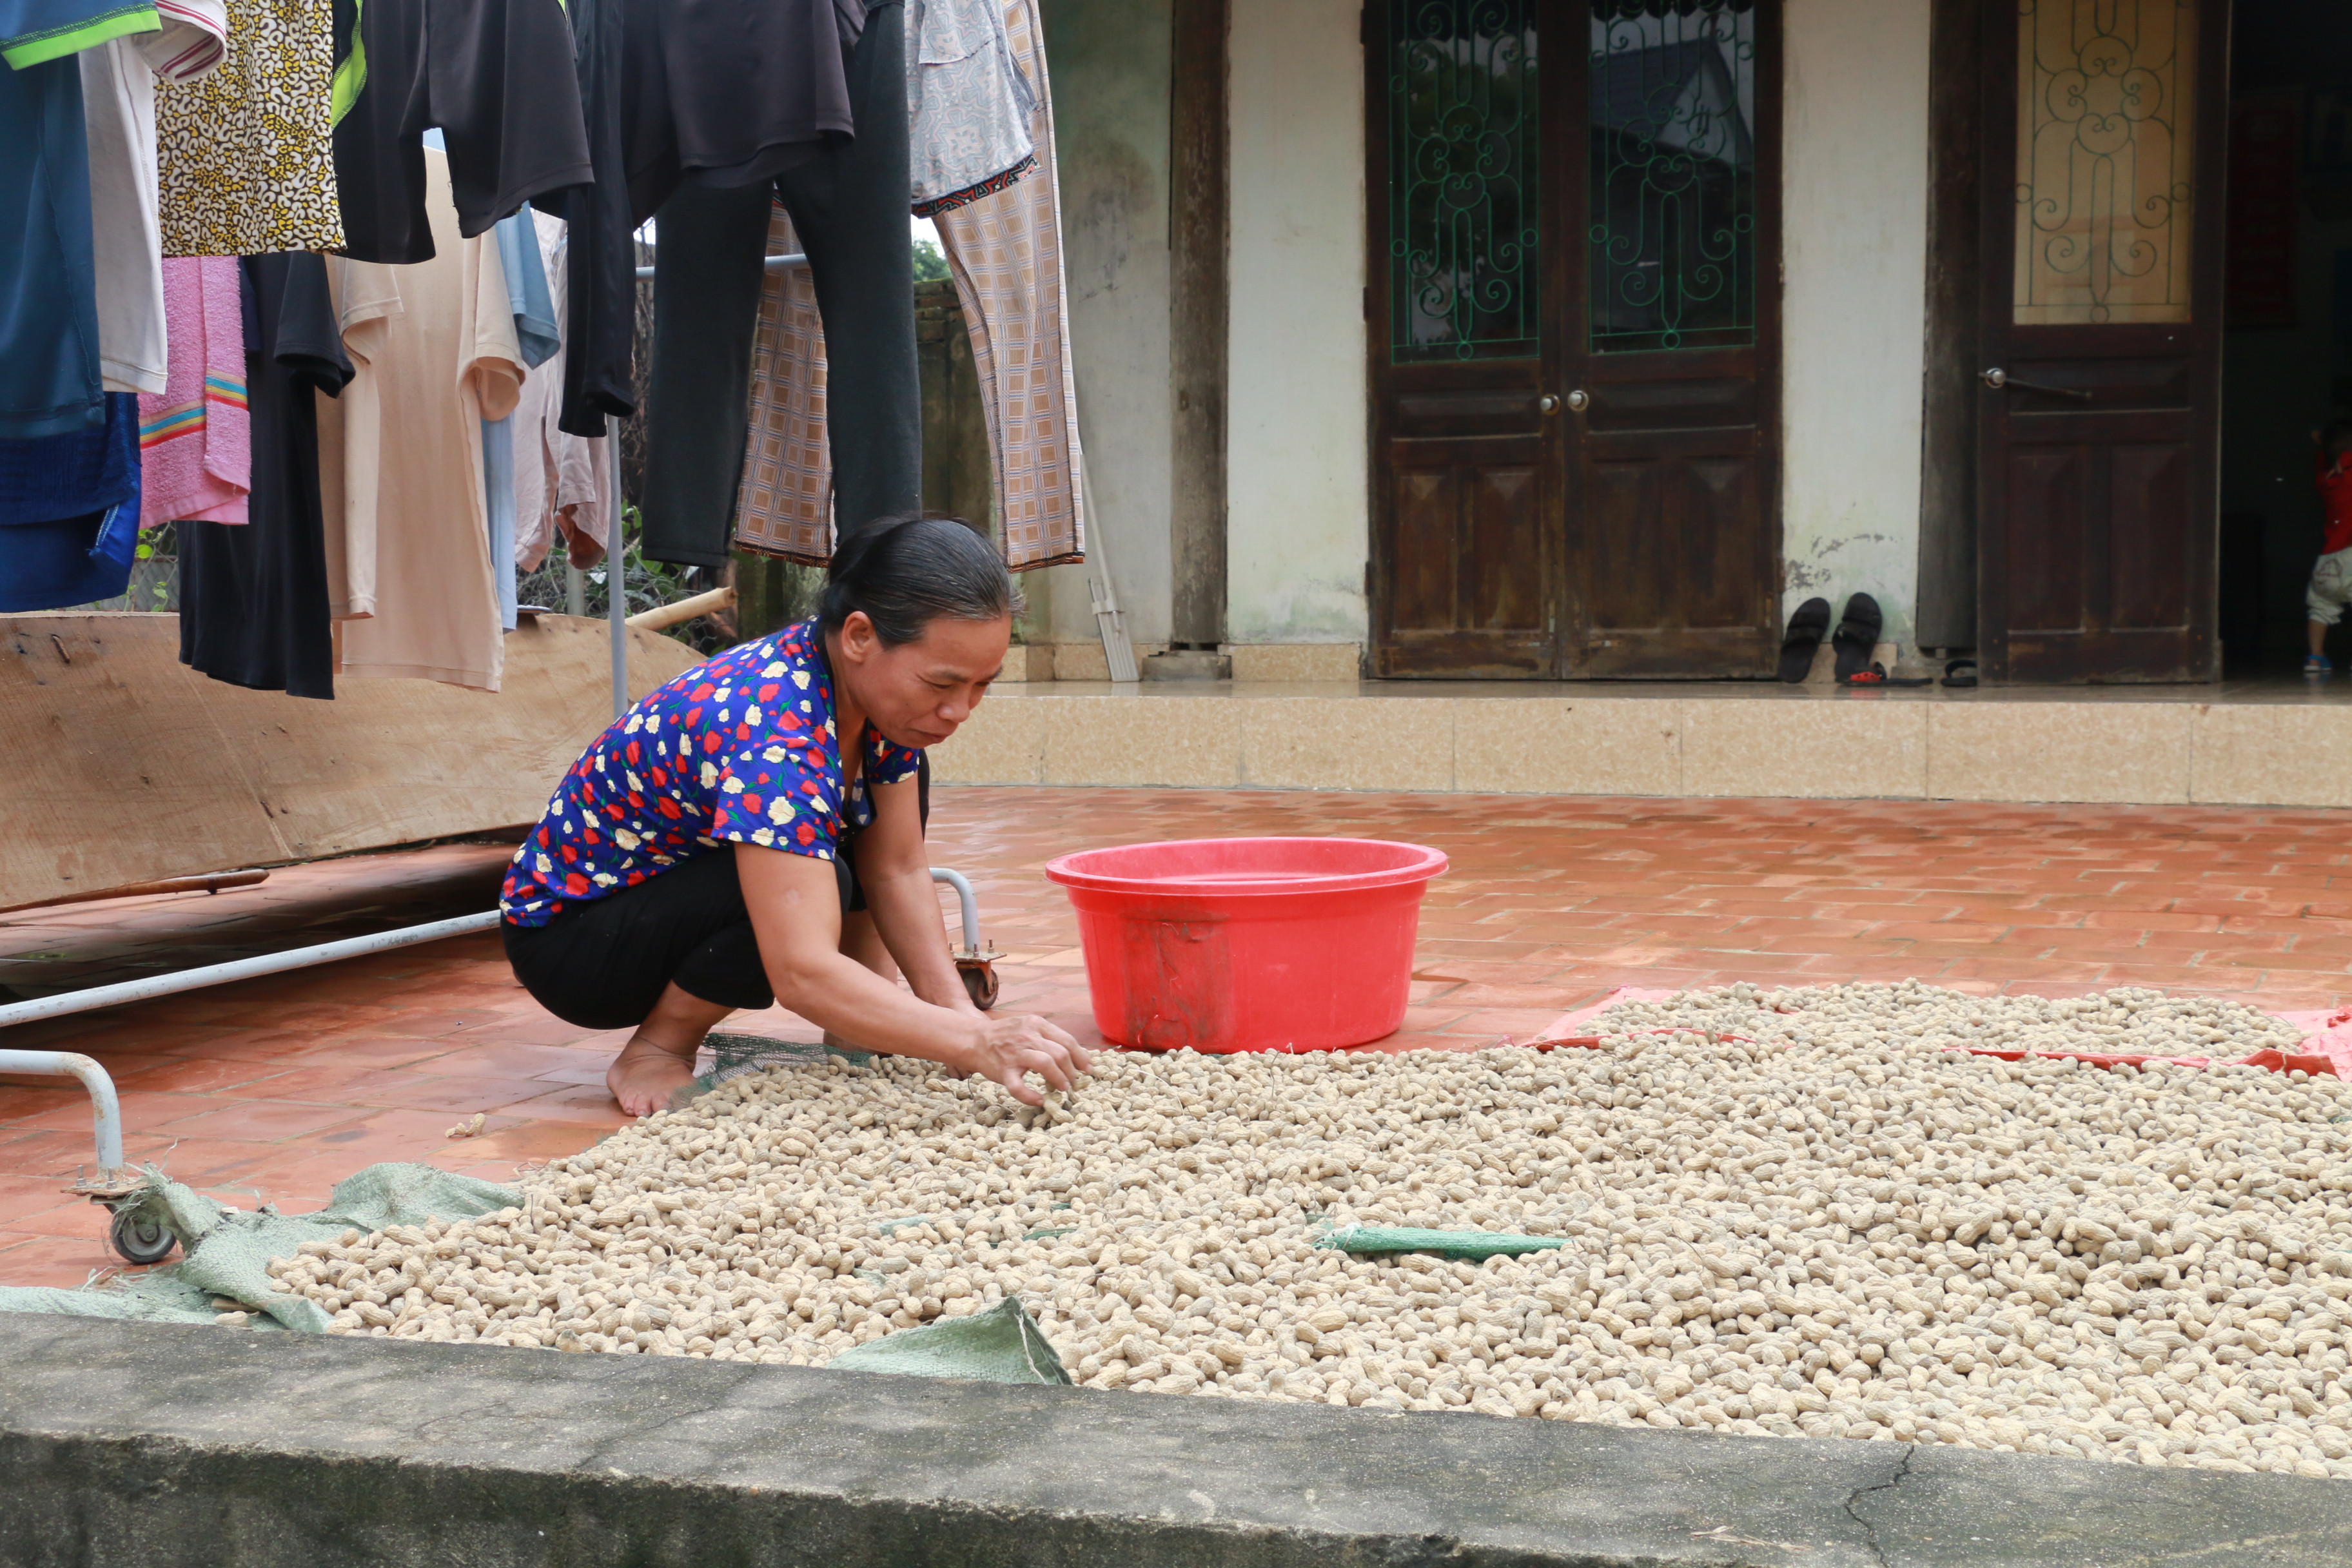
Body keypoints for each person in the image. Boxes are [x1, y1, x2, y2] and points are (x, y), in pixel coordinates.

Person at [498, 514, 1089, 1115]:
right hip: (580, 944)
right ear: (860, 636)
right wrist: (976, 1039)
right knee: (819, 876)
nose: (959, 710)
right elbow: (801, 971)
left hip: (674, 899)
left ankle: (867, 1018)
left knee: (870, 807)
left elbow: (898, 870)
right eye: (942, 683)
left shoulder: (875, 704)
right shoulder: (775, 735)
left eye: (981, 686)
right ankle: (658, 1045)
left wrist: (956, 1025)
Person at [2306, 419, 2352, 676]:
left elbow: (2322, 465)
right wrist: (2346, 460)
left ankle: (2315, 658)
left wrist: (2321, 446)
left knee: (2320, 608)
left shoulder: (2325, 482)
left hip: (2327, 563)